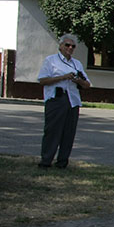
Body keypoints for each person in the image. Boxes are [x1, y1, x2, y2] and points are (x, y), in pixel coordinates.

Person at [37, 34, 91, 169]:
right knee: (53, 131)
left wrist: (78, 80)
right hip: (57, 99)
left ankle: (62, 162)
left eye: (73, 46)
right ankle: (46, 161)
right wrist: (63, 77)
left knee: (68, 133)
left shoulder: (76, 63)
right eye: (67, 45)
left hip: (73, 100)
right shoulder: (51, 61)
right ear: (60, 46)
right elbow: (42, 80)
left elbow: (87, 84)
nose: (70, 48)